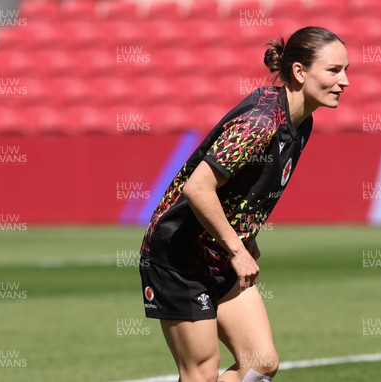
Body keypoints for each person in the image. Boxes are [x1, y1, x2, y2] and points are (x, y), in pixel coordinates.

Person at [139, 26, 349, 382]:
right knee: (201, 374)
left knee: (261, 363)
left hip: (218, 252)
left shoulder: (302, 121)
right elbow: (199, 188)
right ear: (299, 72)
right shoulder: (261, 121)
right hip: (179, 255)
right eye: (333, 70)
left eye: (346, 70)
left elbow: (247, 190)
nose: (344, 81)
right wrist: (238, 251)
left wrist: (243, 238)